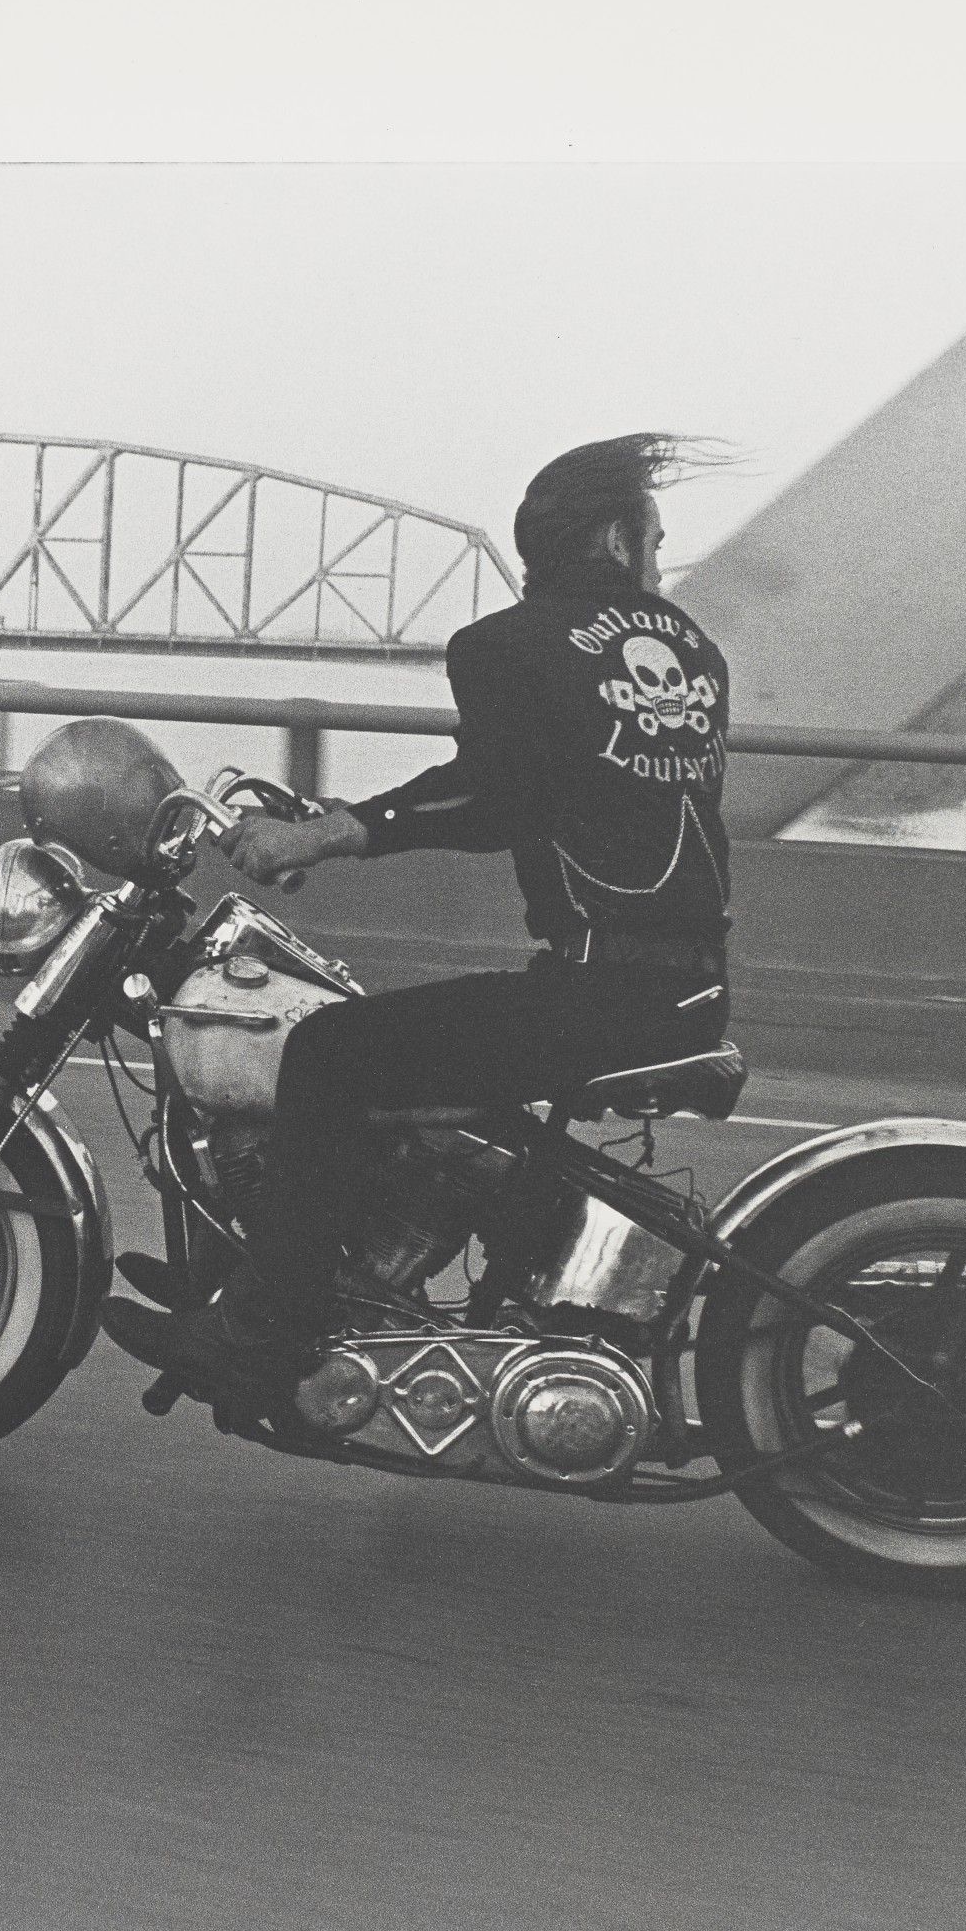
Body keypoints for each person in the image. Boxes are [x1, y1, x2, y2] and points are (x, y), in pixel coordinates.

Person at [106, 432, 737, 1395]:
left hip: (601, 989)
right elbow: (568, 789)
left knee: (327, 1051)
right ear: (614, 539)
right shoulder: (691, 652)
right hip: (681, 980)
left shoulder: (510, 646)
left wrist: (325, 836)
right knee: (398, 1058)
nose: (657, 559)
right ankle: (272, 1270)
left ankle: (265, 1332)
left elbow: (493, 799)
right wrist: (334, 824)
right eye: (653, 538)